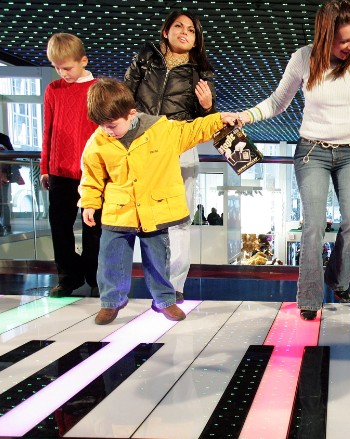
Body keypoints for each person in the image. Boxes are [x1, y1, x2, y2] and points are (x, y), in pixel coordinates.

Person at [234, 0, 350, 320]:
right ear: (325, 36)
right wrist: (246, 116)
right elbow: (278, 102)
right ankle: (309, 298)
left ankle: (337, 279)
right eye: (344, 40)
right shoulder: (303, 59)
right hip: (312, 152)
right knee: (314, 226)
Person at [79, 78, 237, 324]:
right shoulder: (97, 141)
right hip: (118, 210)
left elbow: (193, 129)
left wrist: (218, 119)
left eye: (111, 125)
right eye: (102, 125)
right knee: (111, 259)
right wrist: (89, 203)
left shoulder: (162, 130)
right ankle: (111, 302)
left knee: (158, 258)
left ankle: (164, 300)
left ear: (131, 114)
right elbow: (92, 175)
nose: (107, 130)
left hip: (156, 210)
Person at [124, 10, 216, 305]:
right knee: (145, 218)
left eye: (191, 29)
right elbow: (125, 94)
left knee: (179, 220)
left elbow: (207, 120)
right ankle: (154, 282)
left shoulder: (200, 70)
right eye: (179, 26)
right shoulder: (146, 57)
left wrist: (207, 105)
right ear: (166, 31)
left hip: (180, 143)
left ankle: (175, 286)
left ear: (196, 39)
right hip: (143, 142)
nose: (185, 32)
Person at [40, 33, 102, 297]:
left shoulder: (99, 89)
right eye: (56, 67)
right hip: (60, 170)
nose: (62, 73)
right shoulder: (53, 90)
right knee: (60, 225)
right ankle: (68, 276)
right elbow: (48, 130)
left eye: (67, 67)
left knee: (94, 228)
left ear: (83, 61)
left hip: (93, 172)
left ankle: (96, 276)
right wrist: (45, 166)